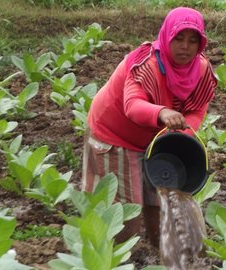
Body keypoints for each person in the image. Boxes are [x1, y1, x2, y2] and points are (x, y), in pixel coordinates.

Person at [81, 7, 217, 248]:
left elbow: (197, 109)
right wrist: (162, 112)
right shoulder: (146, 65)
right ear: (166, 37)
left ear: (201, 44)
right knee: (126, 215)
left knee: (160, 203)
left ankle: (160, 254)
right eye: (179, 39)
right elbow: (132, 105)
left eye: (193, 40)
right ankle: (116, 259)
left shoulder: (201, 70)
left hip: (155, 139)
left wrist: (183, 133)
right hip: (115, 136)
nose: (185, 47)